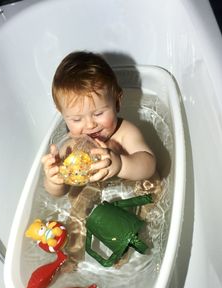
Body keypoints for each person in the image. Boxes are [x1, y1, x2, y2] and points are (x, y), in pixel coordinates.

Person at [42, 51, 156, 197]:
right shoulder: (70, 148)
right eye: (77, 119)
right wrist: (54, 182)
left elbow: (149, 166)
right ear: (62, 115)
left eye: (98, 114)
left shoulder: (125, 133)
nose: (90, 125)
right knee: (76, 207)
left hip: (132, 190)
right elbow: (61, 193)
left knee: (153, 189)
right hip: (94, 197)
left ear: (117, 102)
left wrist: (121, 165)